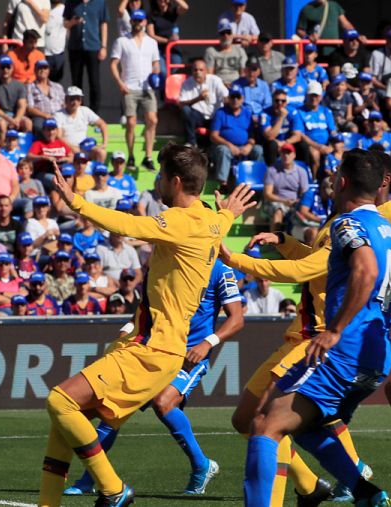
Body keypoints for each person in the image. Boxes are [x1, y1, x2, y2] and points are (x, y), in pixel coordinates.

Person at [38, 144, 254, 506]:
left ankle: (114, 490)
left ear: (174, 181)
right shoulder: (213, 222)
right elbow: (222, 221)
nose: (155, 181)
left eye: (160, 175)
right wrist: (229, 212)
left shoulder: (180, 223)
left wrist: (77, 202)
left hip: (151, 349)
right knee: (65, 423)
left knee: (60, 402)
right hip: (156, 347)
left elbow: (127, 224)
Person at [240, 149, 391, 507]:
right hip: (375, 357)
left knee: (263, 424)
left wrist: (335, 329)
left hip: (344, 349)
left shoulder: (347, 223)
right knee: (304, 428)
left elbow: (366, 270)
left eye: (336, 173)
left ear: (343, 181)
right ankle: (368, 495)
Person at [65, 258, 242, 496]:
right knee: (114, 409)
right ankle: (90, 478)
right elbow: (142, 312)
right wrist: (126, 332)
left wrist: (207, 343)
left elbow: (237, 318)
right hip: (153, 351)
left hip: (191, 355)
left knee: (163, 401)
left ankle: (201, 465)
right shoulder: (164, 263)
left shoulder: (220, 270)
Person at [110, 9, 160, 172]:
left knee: (152, 120)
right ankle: (131, 155)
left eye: (140, 21)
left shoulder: (152, 42)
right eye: (135, 21)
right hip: (129, 87)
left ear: (145, 22)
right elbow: (113, 64)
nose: (138, 24)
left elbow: (156, 63)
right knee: (131, 122)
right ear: (131, 22)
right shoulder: (122, 41)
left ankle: (148, 156)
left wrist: (156, 74)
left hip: (147, 87)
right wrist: (119, 83)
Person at [210, 84, 262, 189]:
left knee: (258, 149)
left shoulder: (248, 114)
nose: (235, 100)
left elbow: (252, 136)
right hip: (225, 146)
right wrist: (230, 145)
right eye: (232, 97)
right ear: (228, 98)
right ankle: (223, 184)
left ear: (242, 99)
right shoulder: (220, 113)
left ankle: (258, 181)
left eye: (238, 97)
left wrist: (249, 145)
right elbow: (213, 136)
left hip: (244, 147)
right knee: (223, 150)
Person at [63, 0, 109, 111]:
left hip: (93, 46)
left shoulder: (100, 3)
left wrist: (103, 46)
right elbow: (65, 23)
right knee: (76, 82)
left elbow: (104, 24)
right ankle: (78, 111)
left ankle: (94, 113)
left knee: (94, 82)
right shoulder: (71, 2)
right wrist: (73, 22)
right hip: (75, 47)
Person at [179, 58, 228, 147]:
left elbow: (226, 96)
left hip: (215, 115)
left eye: (201, 70)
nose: (198, 72)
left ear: (206, 71)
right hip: (199, 116)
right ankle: (191, 142)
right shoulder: (187, 83)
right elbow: (181, 104)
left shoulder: (215, 80)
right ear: (192, 71)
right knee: (186, 110)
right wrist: (198, 98)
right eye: (195, 70)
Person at [55, 86, 108, 162]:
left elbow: (103, 124)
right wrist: (73, 148)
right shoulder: (59, 114)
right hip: (67, 149)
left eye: (78, 99)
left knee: (102, 152)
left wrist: (104, 144)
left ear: (80, 101)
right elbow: (58, 136)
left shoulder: (85, 110)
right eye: (72, 99)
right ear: (66, 99)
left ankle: (98, 173)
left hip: (85, 147)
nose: (75, 102)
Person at [0, 55, 33, 137]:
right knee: (2, 124)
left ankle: (25, 148)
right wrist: (10, 120)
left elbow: (22, 106)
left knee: (28, 123)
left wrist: (16, 120)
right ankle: (2, 147)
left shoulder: (20, 86)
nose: (5, 70)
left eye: (8, 67)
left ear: (12, 68)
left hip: (15, 116)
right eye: (3, 67)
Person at [204, 19, 247, 87]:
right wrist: (220, 85)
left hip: (237, 85)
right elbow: (209, 75)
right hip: (218, 86)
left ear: (232, 35)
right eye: (222, 33)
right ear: (218, 36)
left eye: (228, 32)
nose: (226, 35)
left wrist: (236, 85)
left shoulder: (240, 51)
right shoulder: (211, 51)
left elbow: (243, 73)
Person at [27, 60, 65, 135]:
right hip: (41, 116)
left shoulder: (58, 86)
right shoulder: (30, 87)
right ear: (35, 70)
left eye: (45, 68)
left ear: (49, 70)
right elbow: (30, 109)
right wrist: (46, 115)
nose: (42, 70)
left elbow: (64, 103)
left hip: (59, 115)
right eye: (40, 68)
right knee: (38, 126)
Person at [44, 0, 67, 81]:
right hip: (44, 53)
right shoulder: (44, 7)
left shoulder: (65, 9)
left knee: (56, 83)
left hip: (58, 53)